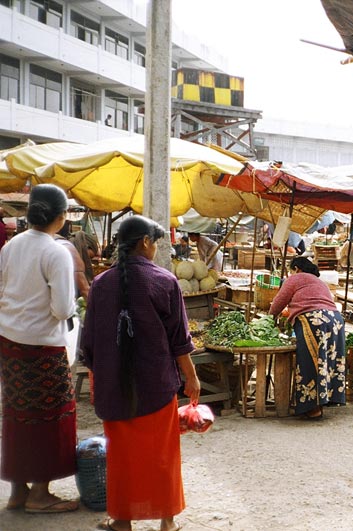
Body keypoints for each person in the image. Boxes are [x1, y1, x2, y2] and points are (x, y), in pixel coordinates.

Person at [81, 215, 200, 531]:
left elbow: (89, 345)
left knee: (121, 458)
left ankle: (121, 520)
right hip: (157, 384)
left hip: (114, 388)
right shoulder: (165, 281)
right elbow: (179, 340)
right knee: (162, 455)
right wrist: (192, 377)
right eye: (156, 242)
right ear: (145, 242)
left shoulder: (100, 285)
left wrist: (104, 378)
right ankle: (167, 521)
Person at [0, 184, 79, 514]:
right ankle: (40, 494)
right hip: (42, 345)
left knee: (17, 414)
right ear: (60, 218)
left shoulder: (11, 246)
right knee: (50, 418)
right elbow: (62, 309)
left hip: (9, 340)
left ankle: (19, 490)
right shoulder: (56, 251)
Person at [269, 257, 346, 420]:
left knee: (309, 360)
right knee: (328, 361)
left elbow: (279, 302)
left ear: (296, 268)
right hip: (335, 320)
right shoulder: (319, 282)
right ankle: (327, 399)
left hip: (314, 319)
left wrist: (269, 319)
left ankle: (312, 407)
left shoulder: (295, 278)